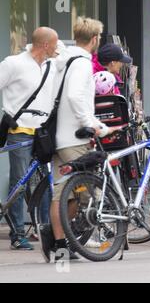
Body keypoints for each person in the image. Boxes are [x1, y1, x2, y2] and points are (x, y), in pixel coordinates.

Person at [38, 17, 116, 262]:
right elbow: (74, 97)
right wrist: (93, 125)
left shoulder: (62, 60)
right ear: (95, 39)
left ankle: (60, 244)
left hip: (58, 138)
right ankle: (55, 236)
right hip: (74, 138)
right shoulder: (81, 64)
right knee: (84, 194)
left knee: (62, 194)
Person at [0, 27, 58, 250]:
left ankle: (43, 229)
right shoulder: (13, 63)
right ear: (45, 45)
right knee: (19, 183)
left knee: (47, 183)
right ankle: (17, 234)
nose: (57, 49)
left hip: (42, 132)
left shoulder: (51, 65)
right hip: (20, 131)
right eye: (54, 45)